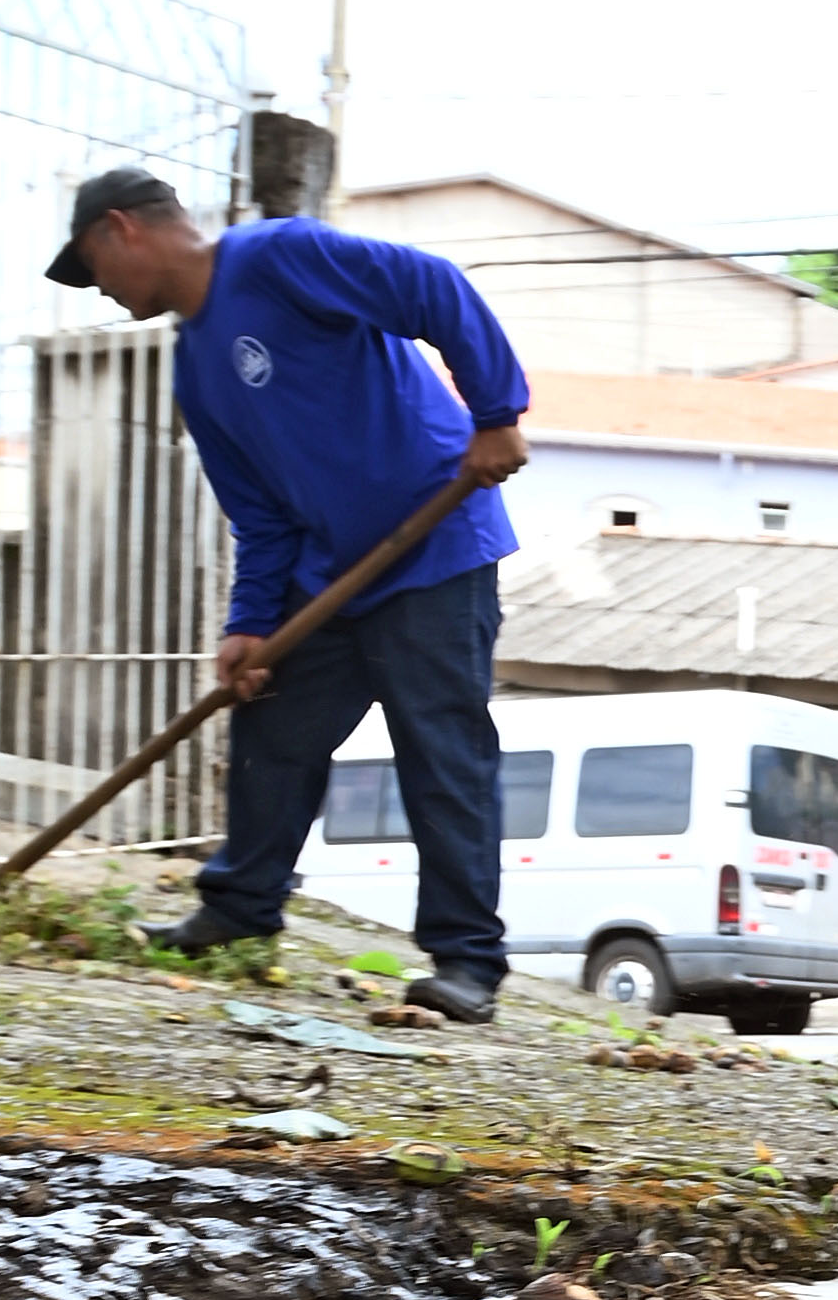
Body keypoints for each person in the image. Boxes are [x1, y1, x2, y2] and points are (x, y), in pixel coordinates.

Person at [49, 166, 531, 1022]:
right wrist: (250, 625)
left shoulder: (279, 257)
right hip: (331, 577)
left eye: (95, 268)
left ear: (123, 229)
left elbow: (435, 289)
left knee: (441, 753)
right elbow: (262, 515)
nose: (103, 292)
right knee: (273, 734)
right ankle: (240, 911)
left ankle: (466, 963)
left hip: (435, 545)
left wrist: (495, 413)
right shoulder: (197, 369)